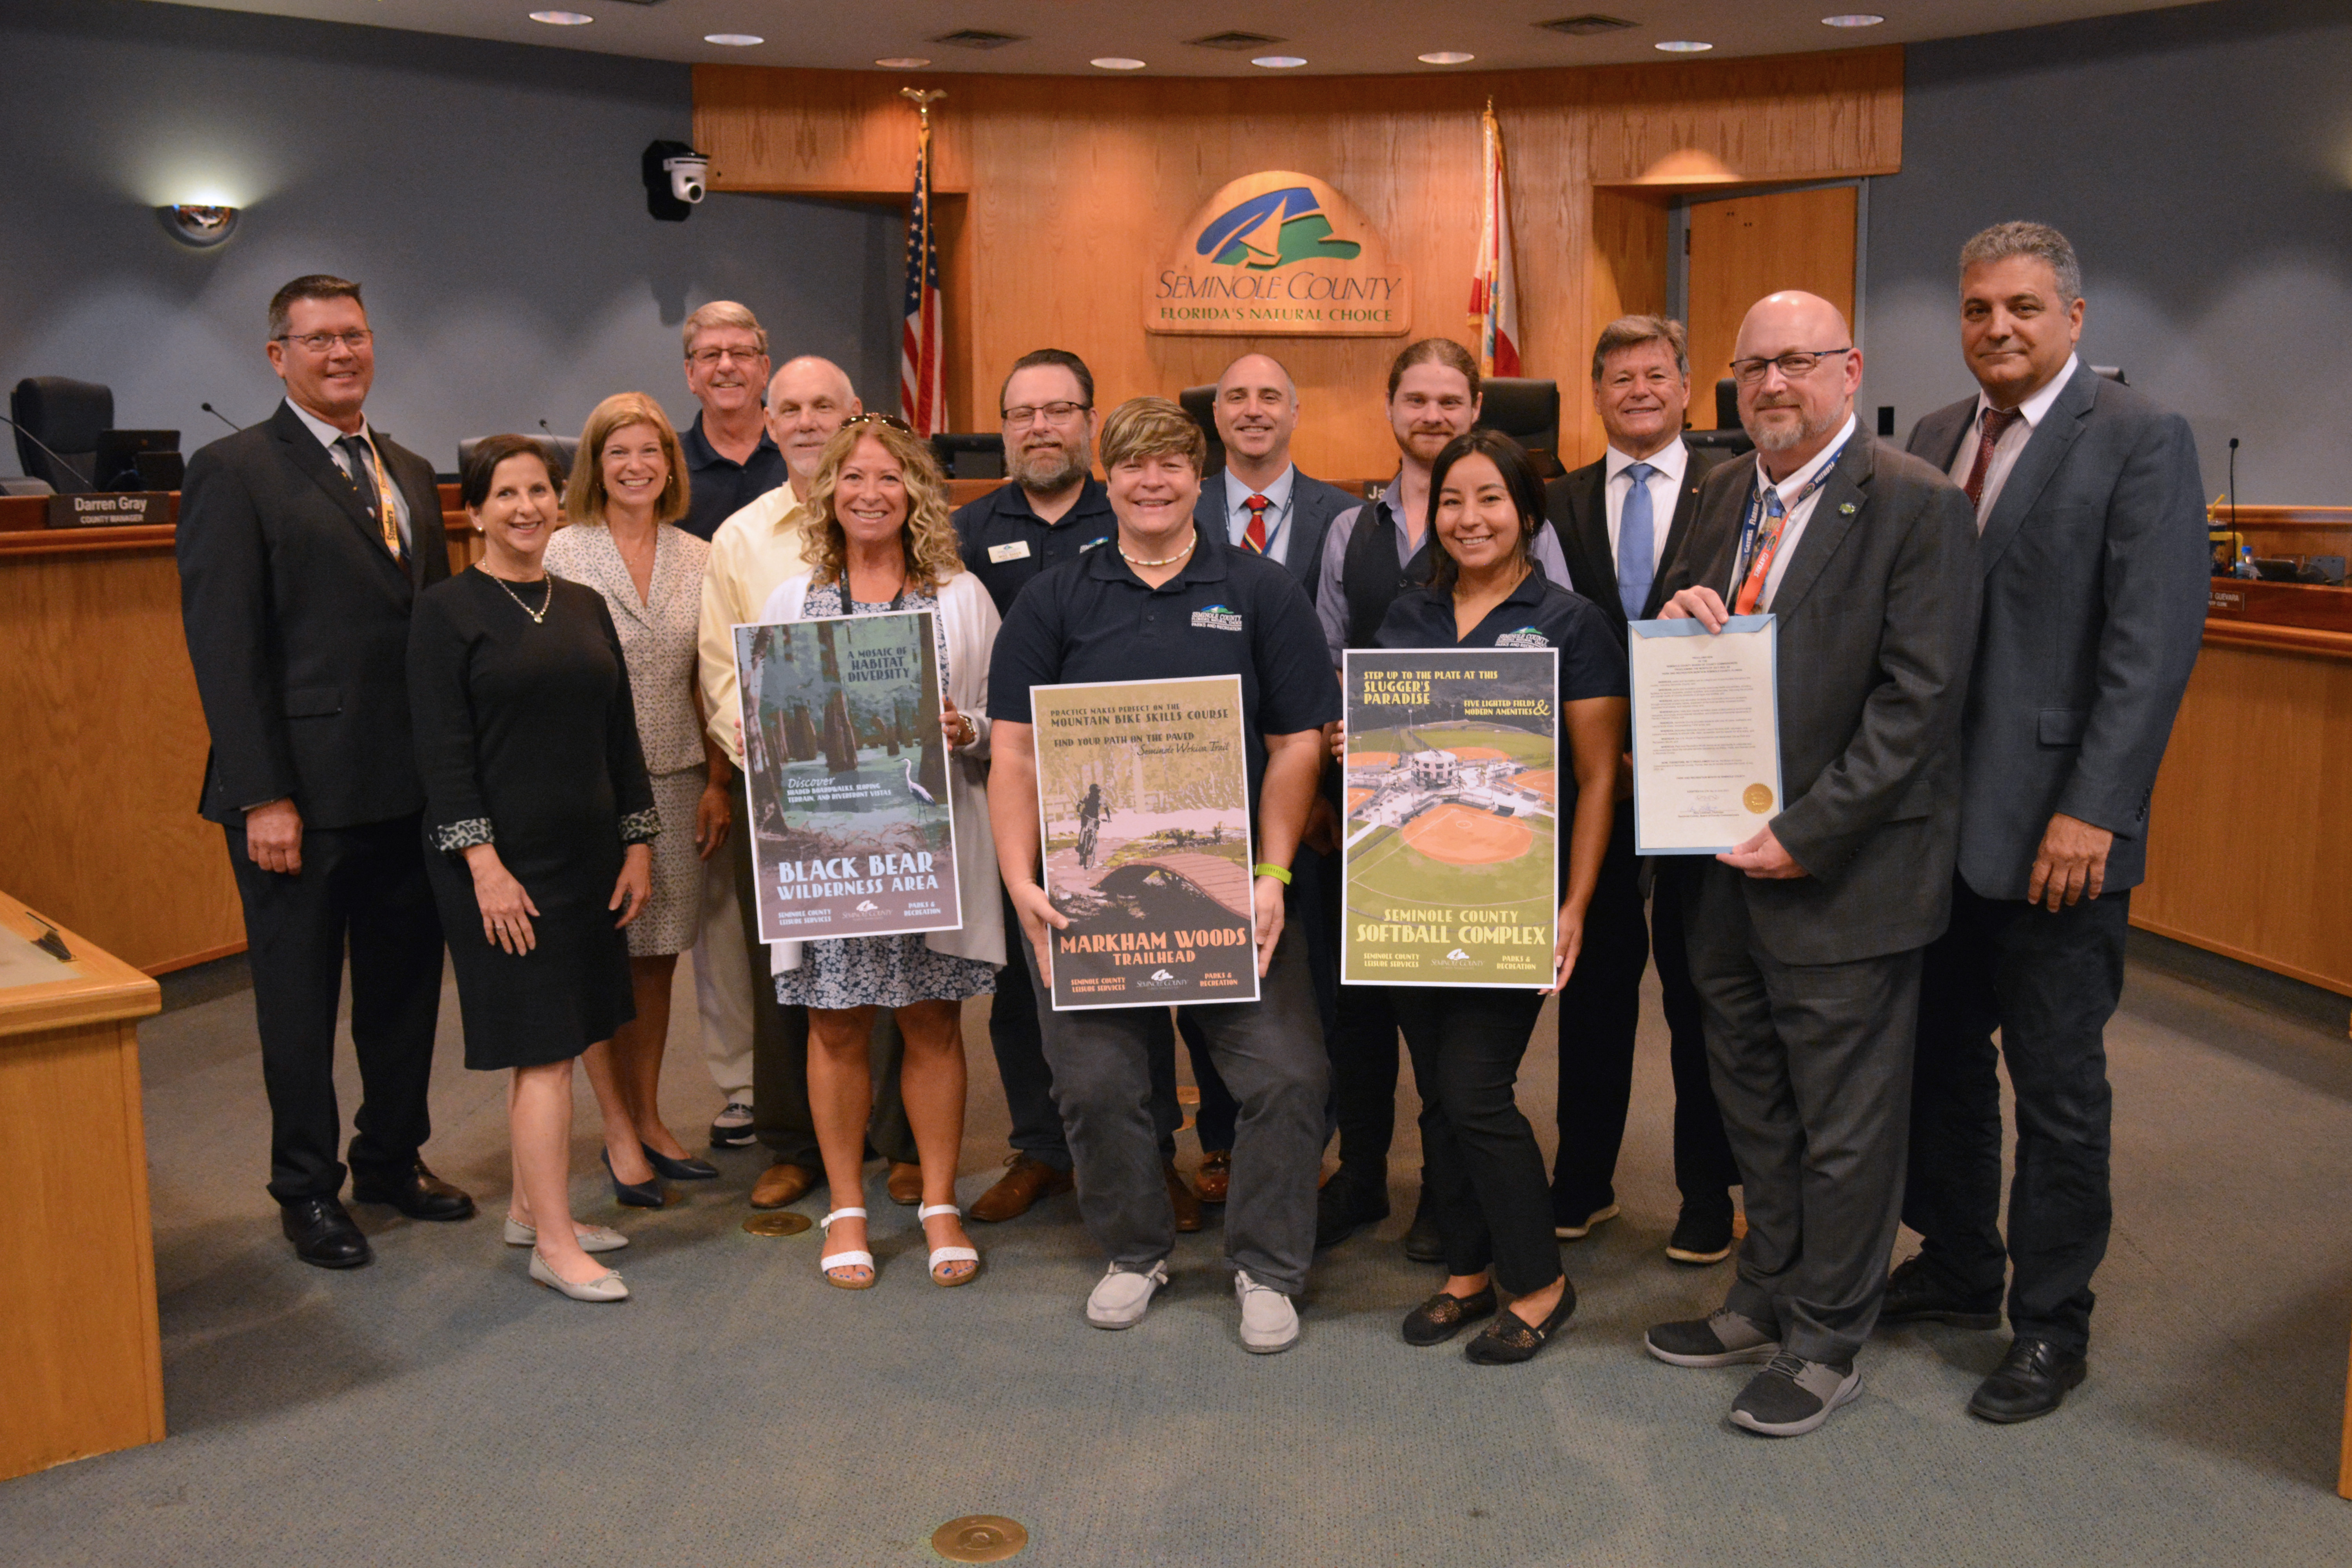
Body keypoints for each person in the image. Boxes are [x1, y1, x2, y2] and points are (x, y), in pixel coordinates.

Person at [1639, 291, 1980, 1437]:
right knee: (1752, 1099)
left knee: (1842, 1120)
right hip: (1720, 867)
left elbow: (1918, 702)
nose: (1772, 385)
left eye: (1795, 363)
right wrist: (1682, 609)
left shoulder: (1914, 504)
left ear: (1849, 368)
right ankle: (1764, 1291)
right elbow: (1677, 633)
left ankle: (1829, 1334)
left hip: (1844, 873)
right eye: (1751, 368)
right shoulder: (1719, 489)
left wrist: (1807, 829)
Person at [1888, 222, 2209, 1423]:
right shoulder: (1930, 438)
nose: (1997, 329)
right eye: (1976, 309)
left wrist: (2094, 808)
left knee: (2058, 1088)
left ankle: (2048, 1324)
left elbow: (2147, 650)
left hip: (2056, 841)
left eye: (2022, 307)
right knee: (1939, 1067)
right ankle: (1960, 1263)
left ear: (2071, 318)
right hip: (1932, 835)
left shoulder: (2135, 439)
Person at [986, 396, 1339, 1354]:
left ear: (1199, 480)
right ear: (1109, 479)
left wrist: (1271, 872)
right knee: (1097, 1086)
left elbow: (1296, 743)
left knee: (1289, 1076)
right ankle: (1134, 1250)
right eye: (1133, 466)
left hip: (1231, 892)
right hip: (1087, 899)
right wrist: (1022, 881)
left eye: (1172, 466)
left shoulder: (1260, 590)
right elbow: (1013, 754)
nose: (1152, 481)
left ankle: (1267, 1266)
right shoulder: (1054, 597)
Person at [176, 274, 474, 1269]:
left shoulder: (410, 468)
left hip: (408, 789)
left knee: (403, 994)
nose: (340, 353)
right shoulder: (235, 469)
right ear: (278, 356)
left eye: (354, 334)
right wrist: (265, 791)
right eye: (317, 340)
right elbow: (225, 647)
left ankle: (392, 1155)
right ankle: (305, 1188)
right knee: (298, 1009)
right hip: (294, 798)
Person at [1350, 430, 1626, 1363]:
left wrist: (1575, 904)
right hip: (1410, 902)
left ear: (1527, 513)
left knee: (1475, 1088)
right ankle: (1466, 1271)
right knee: (1437, 1093)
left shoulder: (1572, 623)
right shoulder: (1405, 615)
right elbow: (1392, 744)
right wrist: (1362, 750)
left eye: (1491, 500)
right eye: (1453, 501)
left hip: (1514, 901)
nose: (1470, 518)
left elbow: (1596, 778)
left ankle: (1539, 1279)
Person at [1309, 337, 1575, 1254]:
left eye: (1448, 400)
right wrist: (1352, 734)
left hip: (1494, 856)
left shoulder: (1538, 564)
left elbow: (1561, 693)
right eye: (1413, 399)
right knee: (1381, 1026)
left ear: (1476, 409)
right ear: (1391, 409)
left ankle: (1454, 1208)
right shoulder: (1357, 534)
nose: (1431, 415)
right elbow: (1333, 662)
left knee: (1467, 1069)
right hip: (1388, 826)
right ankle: (1383, 1187)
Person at [408, 434, 659, 1302]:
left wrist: (638, 842)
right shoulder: (446, 611)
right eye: (505, 494)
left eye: (540, 491)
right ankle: (555, 1243)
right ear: (473, 511)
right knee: (545, 1050)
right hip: (502, 870)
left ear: (561, 501)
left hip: (589, 859)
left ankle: (529, 1206)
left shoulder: (585, 603)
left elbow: (619, 735)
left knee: (577, 1027)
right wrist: (483, 863)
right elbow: (441, 756)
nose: (526, 507)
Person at [952, 350, 1198, 1231]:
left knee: (1150, 966)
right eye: (1023, 413)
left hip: (1139, 793)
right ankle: (1042, 1148)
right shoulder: (967, 529)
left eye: (1060, 410)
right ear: (1005, 427)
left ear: (1090, 424)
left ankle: (1154, 1151)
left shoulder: (1138, 503)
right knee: (1027, 981)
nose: (1041, 427)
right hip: (1017, 790)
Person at [757, 416, 1005, 1288]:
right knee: (834, 1023)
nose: (870, 493)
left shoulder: (960, 597)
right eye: (854, 478)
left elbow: (995, 726)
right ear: (829, 491)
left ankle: (938, 1200)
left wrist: (960, 726)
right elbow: (769, 736)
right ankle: (847, 1206)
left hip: (926, 854)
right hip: (831, 859)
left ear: (916, 494)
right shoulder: (794, 602)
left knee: (933, 1020)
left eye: (890, 479)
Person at [698, 356, 923, 1212]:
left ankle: (902, 1141)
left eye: (821, 405)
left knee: (904, 964)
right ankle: (793, 1144)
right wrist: (768, 760)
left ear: (853, 412)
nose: (802, 420)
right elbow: (721, 668)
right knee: (789, 972)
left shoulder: (900, 511)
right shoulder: (743, 538)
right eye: (786, 407)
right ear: (767, 417)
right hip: (784, 788)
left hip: (897, 792)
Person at [1542, 316, 1742, 1263]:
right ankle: (1583, 1179)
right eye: (1619, 377)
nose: (1638, 390)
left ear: (1686, 386)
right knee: (1595, 993)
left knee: (1704, 992)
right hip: (1597, 788)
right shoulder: (1557, 500)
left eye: (1655, 374)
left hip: (1702, 783)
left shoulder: (1736, 489)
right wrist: (1601, 758)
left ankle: (1710, 1191)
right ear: (1598, 392)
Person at [544, 393, 732, 1200]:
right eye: (618, 451)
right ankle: (617, 1127)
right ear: (595, 462)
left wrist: (719, 780)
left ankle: (651, 1115)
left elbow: (713, 676)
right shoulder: (560, 550)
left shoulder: (701, 555)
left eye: (650, 451)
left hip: (677, 777)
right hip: (585, 784)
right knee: (599, 957)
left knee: (656, 960)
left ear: (670, 463)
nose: (635, 466)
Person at [1180, 352, 1357, 1204]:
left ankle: (1308, 1140)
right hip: (1194, 786)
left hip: (1307, 784)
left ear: (1296, 411)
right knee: (1205, 963)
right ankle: (1221, 1136)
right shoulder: (1175, 507)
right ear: (1215, 416)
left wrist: (1321, 783)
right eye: (1236, 396)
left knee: (1306, 964)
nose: (1253, 410)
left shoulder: (1348, 516)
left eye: (1270, 396)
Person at [675, 301, 785, 543]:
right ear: (690, 374)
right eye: (711, 355)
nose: (726, 366)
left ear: (765, 369)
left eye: (741, 353)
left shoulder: (802, 453)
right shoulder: (667, 465)